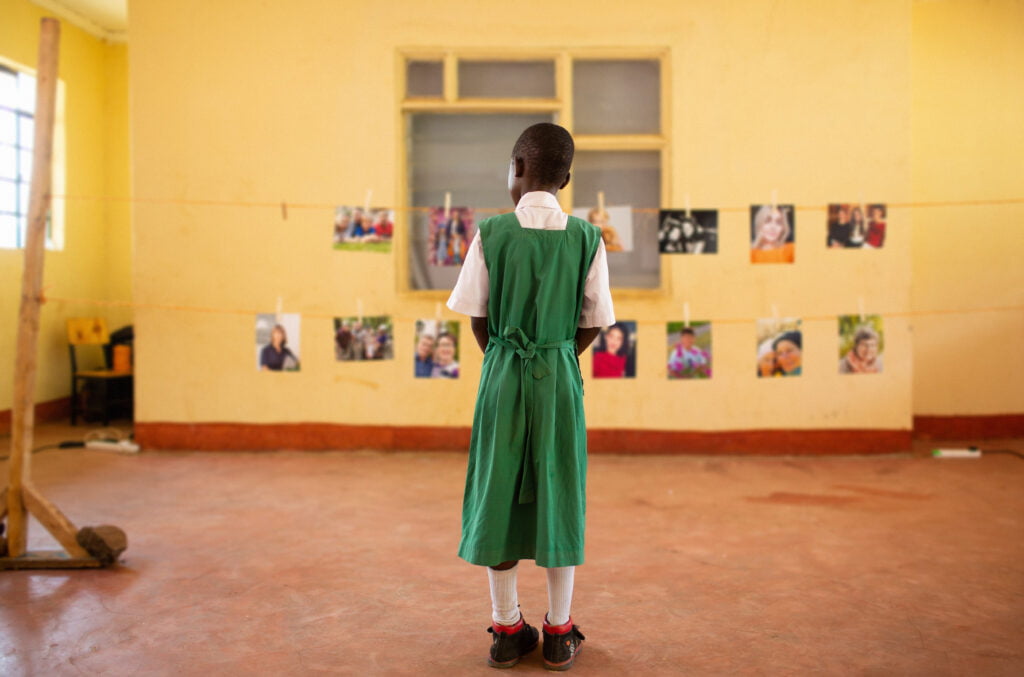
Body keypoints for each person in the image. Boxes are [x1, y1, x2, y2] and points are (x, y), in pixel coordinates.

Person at [446, 122, 614, 670]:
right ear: (566, 178)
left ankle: (506, 629)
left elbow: (477, 314)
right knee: (559, 488)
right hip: (559, 373)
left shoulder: (491, 233)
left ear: (515, 170)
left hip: (503, 371)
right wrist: (558, 354)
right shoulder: (587, 237)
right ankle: (560, 632)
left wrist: (504, 356)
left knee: (498, 488)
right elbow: (594, 320)